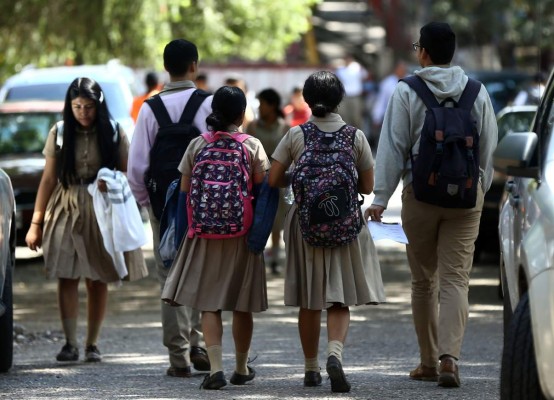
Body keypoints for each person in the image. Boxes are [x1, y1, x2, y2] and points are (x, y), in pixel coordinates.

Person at [366, 22, 498, 388]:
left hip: (420, 197)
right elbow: (489, 145)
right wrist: (480, 188)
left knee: (424, 281)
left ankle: (427, 361)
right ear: (452, 53)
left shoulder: (408, 91)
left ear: (423, 52)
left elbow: (393, 145)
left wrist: (380, 198)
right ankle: (449, 359)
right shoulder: (477, 91)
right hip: (467, 199)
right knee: (456, 279)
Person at [268, 71, 385, 393]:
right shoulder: (355, 136)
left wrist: (302, 177)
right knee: (338, 299)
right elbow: (368, 186)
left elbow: (274, 178)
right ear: (339, 100)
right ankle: (335, 353)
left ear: (306, 99)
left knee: (310, 299)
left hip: (305, 226)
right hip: (345, 225)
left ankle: (310, 368)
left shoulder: (296, 135)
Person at [25, 77, 147, 363]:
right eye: (77, 106)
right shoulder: (59, 132)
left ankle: (92, 343)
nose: (83, 112)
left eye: (89, 106)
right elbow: (48, 179)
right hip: (65, 206)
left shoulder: (114, 132)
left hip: (101, 209)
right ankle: (69, 343)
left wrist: (112, 180)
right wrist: (36, 224)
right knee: (66, 275)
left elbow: (128, 173)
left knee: (98, 278)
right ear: (69, 106)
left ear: (99, 105)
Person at [162, 86, 270, 390]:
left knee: (209, 305)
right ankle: (240, 367)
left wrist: (187, 236)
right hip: (241, 236)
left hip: (204, 235)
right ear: (240, 114)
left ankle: (216, 369)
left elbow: (184, 196)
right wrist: (259, 236)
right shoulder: (251, 146)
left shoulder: (197, 146)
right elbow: (262, 194)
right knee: (241, 304)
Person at [127, 39, 212, 378]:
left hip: (163, 205)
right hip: (203, 206)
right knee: (202, 273)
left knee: (168, 279)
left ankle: (178, 359)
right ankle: (201, 344)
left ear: (166, 68)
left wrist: (150, 204)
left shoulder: (149, 109)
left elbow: (136, 167)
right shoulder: (208, 105)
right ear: (194, 65)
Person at [246, 88, 290, 275]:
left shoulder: (285, 128)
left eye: (262, 103)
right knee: (256, 218)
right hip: (256, 179)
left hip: (278, 181)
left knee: (277, 221)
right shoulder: (252, 127)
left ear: (271, 105)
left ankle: (275, 258)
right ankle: (256, 256)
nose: (260, 107)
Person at [370, 61, 408, 148]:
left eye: (404, 69)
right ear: (396, 70)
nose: (403, 71)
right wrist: (376, 117)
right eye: (400, 69)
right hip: (390, 116)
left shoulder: (410, 81)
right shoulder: (387, 83)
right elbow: (381, 101)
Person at [335, 54, 368, 130]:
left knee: (356, 117)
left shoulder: (357, 68)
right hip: (345, 97)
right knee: (344, 117)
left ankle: (358, 135)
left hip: (355, 96)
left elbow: (365, 76)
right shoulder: (340, 70)